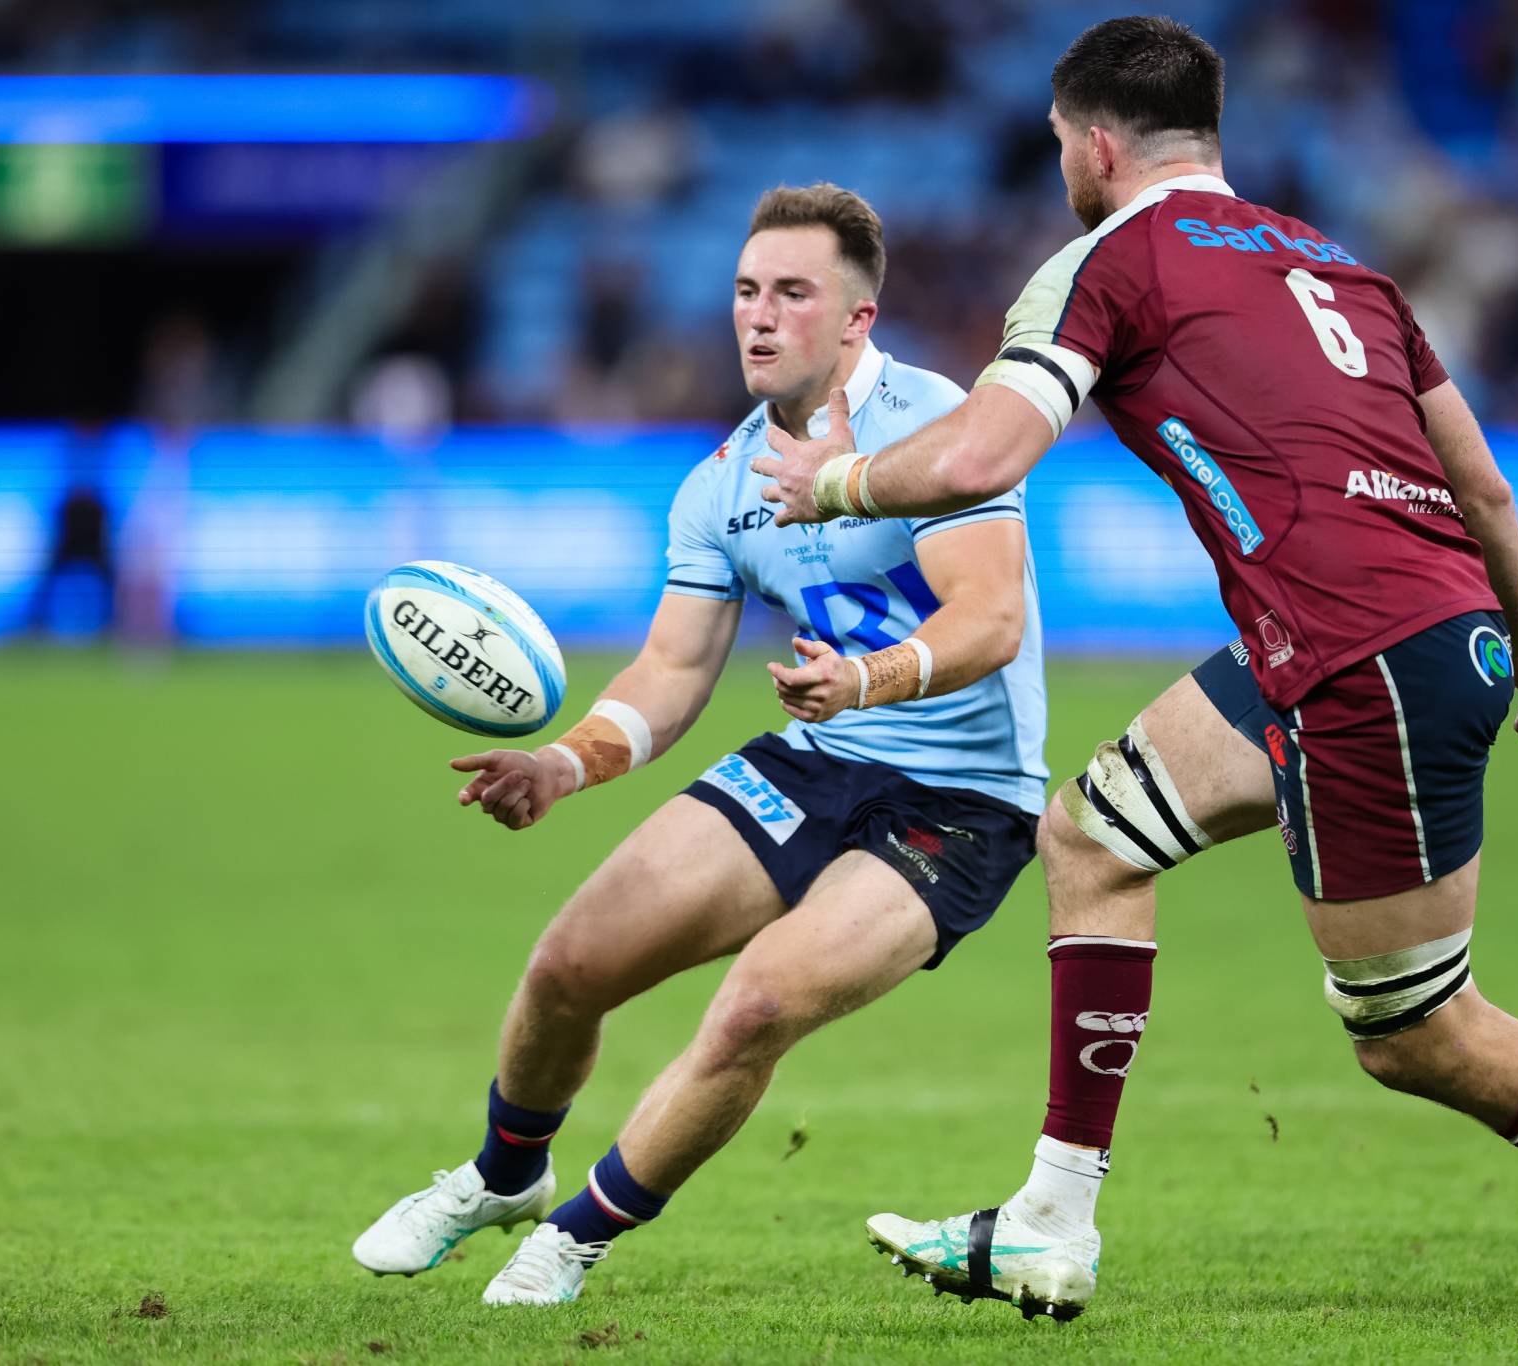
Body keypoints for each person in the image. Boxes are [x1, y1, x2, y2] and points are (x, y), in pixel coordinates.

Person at [754, 18, 1518, 1335]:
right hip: (1366, 640)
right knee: (1091, 833)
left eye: (1056, 148)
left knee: (1412, 1030)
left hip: (1363, 659)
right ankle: (1050, 1218)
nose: (1060, 171)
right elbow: (1479, 480)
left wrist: (835, 481)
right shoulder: (1340, 265)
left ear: (1093, 142)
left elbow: (984, 457)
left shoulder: (1107, 258)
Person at [351, 183, 1048, 1306]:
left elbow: (989, 618)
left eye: (790, 293)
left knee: (760, 1005)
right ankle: (501, 1176)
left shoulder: (942, 426)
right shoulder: (717, 483)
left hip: (959, 797)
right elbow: (672, 673)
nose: (757, 316)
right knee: (569, 965)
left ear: (857, 319)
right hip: (816, 756)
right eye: (742, 291)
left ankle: (572, 1236)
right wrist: (561, 762)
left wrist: (863, 677)